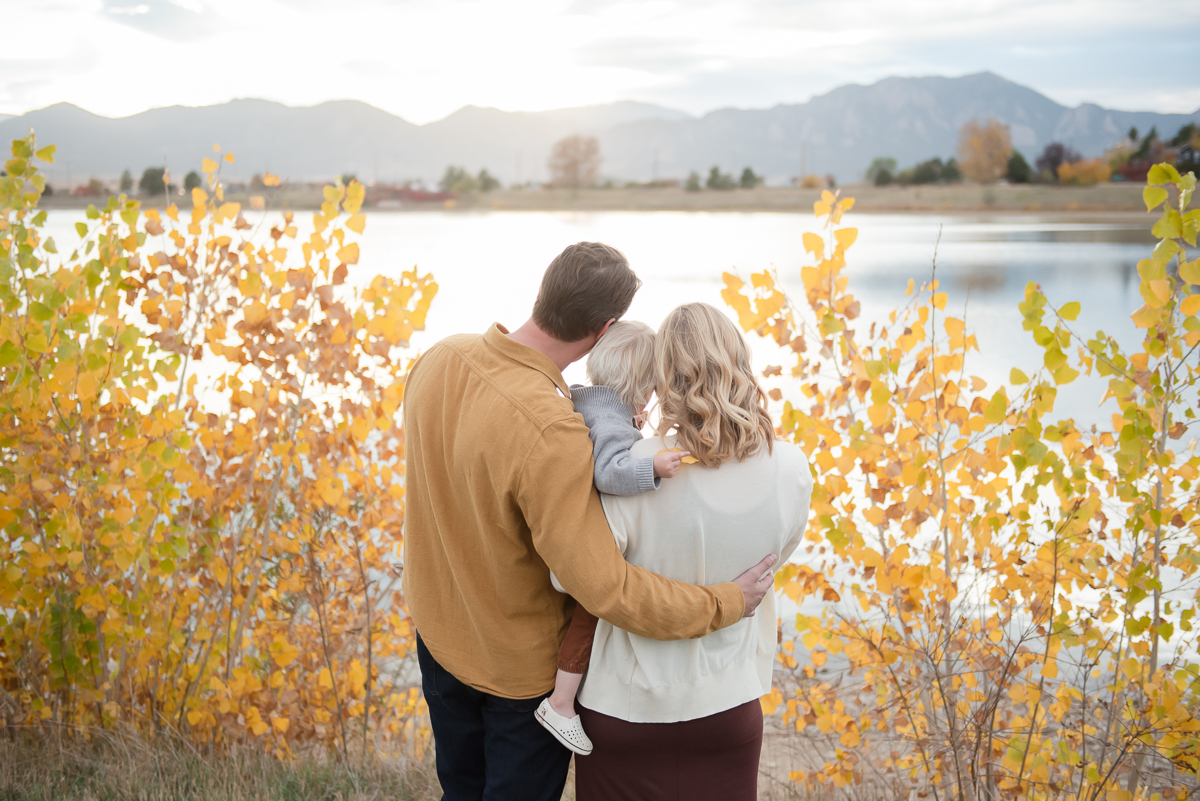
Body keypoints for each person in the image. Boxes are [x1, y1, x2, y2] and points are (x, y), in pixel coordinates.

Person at [402, 243, 779, 801]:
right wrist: (726, 602)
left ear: (546, 289)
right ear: (605, 329)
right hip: (517, 682)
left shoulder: (439, 358)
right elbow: (606, 588)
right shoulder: (553, 432)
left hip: (438, 640)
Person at [574, 301, 813, 801]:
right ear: (740, 365)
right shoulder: (791, 469)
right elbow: (773, 565)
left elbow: (575, 580)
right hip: (727, 705)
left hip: (624, 708)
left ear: (662, 382)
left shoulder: (633, 468)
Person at [534, 320, 691, 754]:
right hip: (583, 540)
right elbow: (608, 471)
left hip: (556, 525)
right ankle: (561, 703)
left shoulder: (580, 398)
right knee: (589, 616)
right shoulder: (614, 422)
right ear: (644, 390)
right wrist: (652, 467)